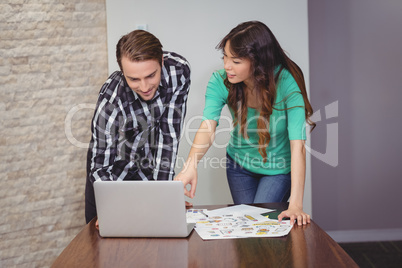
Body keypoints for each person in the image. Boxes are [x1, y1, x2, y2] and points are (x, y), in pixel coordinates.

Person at [174, 21, 315, 225]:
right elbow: (208, 125)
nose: (226, 66)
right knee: (248, 231)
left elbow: (298, 146)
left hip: (278, 169)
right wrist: (190, 165)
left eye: (236, 61)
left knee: (262, 225)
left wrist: (296, 204)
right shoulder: (221, 81)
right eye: (225, 56)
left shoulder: (287, 84)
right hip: (239, 166)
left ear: (259, 63)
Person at [85, 30, 191, 224]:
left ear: (161, 61)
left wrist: (164, 196)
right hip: (110, 181)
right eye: (133, 79)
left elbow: (169, 138)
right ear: (122, 71)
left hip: (148, 176)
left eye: (151, 75)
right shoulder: (111, 100)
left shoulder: (179, 72)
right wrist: (113, 208)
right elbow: (100, 166)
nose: (144, 87)